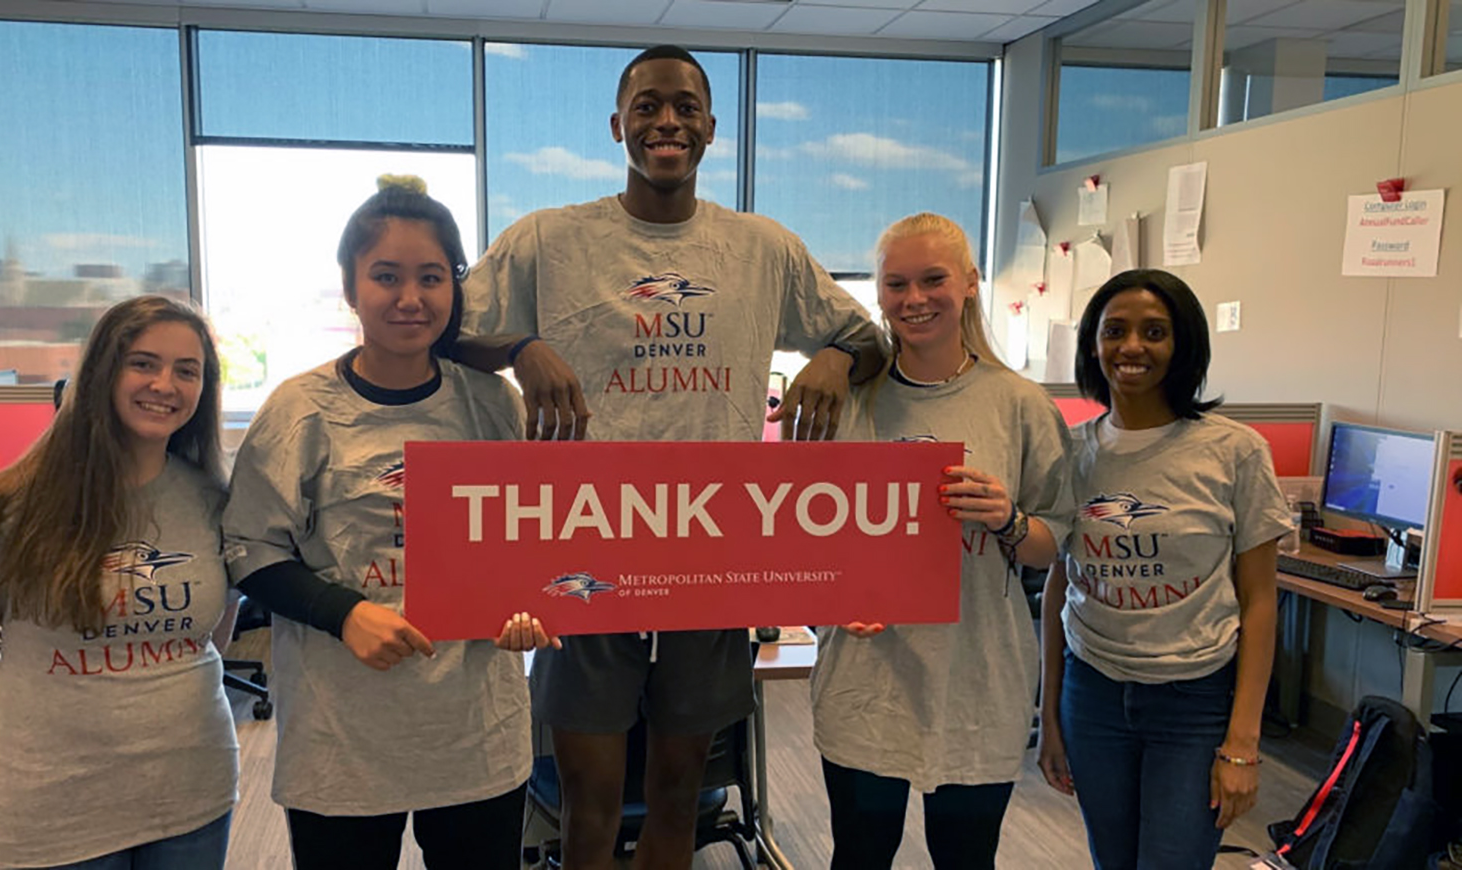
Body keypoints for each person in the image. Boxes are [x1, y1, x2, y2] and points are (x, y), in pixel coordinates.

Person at [453, 44, 887, 870]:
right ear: (618, 125)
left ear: (711, 129)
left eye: (685, 107)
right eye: (648, 106)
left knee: (684, 787)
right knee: (590, 798)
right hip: (581, 540)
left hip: (711, 548)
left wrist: (833, 358)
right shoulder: (548, 239)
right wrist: (522, 347)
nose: (666, 122)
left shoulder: (762, 248)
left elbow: (867, 337)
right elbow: (450, 328)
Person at [221, 175, 557, 870]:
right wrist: (343, 613)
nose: (411, 298)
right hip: (343, 737)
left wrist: (532, 604)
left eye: (431, 277)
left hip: (474, 731)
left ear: (455, 288)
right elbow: (248, 547)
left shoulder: (495, 406)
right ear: (350, 287)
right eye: (386, 276)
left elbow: (535, 536)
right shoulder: (299, 410)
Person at [0, 295, 237, 870]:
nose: (165, 384)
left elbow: (209, 639)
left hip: (194, 788)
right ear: (101, 373)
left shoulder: (216, 501)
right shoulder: (1, 509)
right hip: (55, 803)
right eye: (143, 363)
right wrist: (62, 702)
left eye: (186, 370)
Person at [808, 212, 1074, 870]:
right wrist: (834, 599)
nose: (915, 299)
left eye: (933, 279)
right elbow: (810, 543)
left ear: (971, 283)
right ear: (878, 293)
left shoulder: (1019, 405)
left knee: (965, 859)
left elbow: (1056, 542)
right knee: (860, 855)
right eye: (896, 284)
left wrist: (1007, 519)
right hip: (865, 677)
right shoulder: (849, 405)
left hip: (976, 673)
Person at [1037, 268, 1291, 870]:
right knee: (1113, 860)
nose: (1132, 347)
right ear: (1093, 344)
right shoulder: (1072, 452)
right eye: (1115, 331)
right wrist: (1049, 716)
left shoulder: (1234, 451)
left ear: (1184, 346)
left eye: (1155, 332)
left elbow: (1259, 601)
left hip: (1195, 699)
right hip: (1092, 690)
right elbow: (1058, 583)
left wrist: (1243, 745)